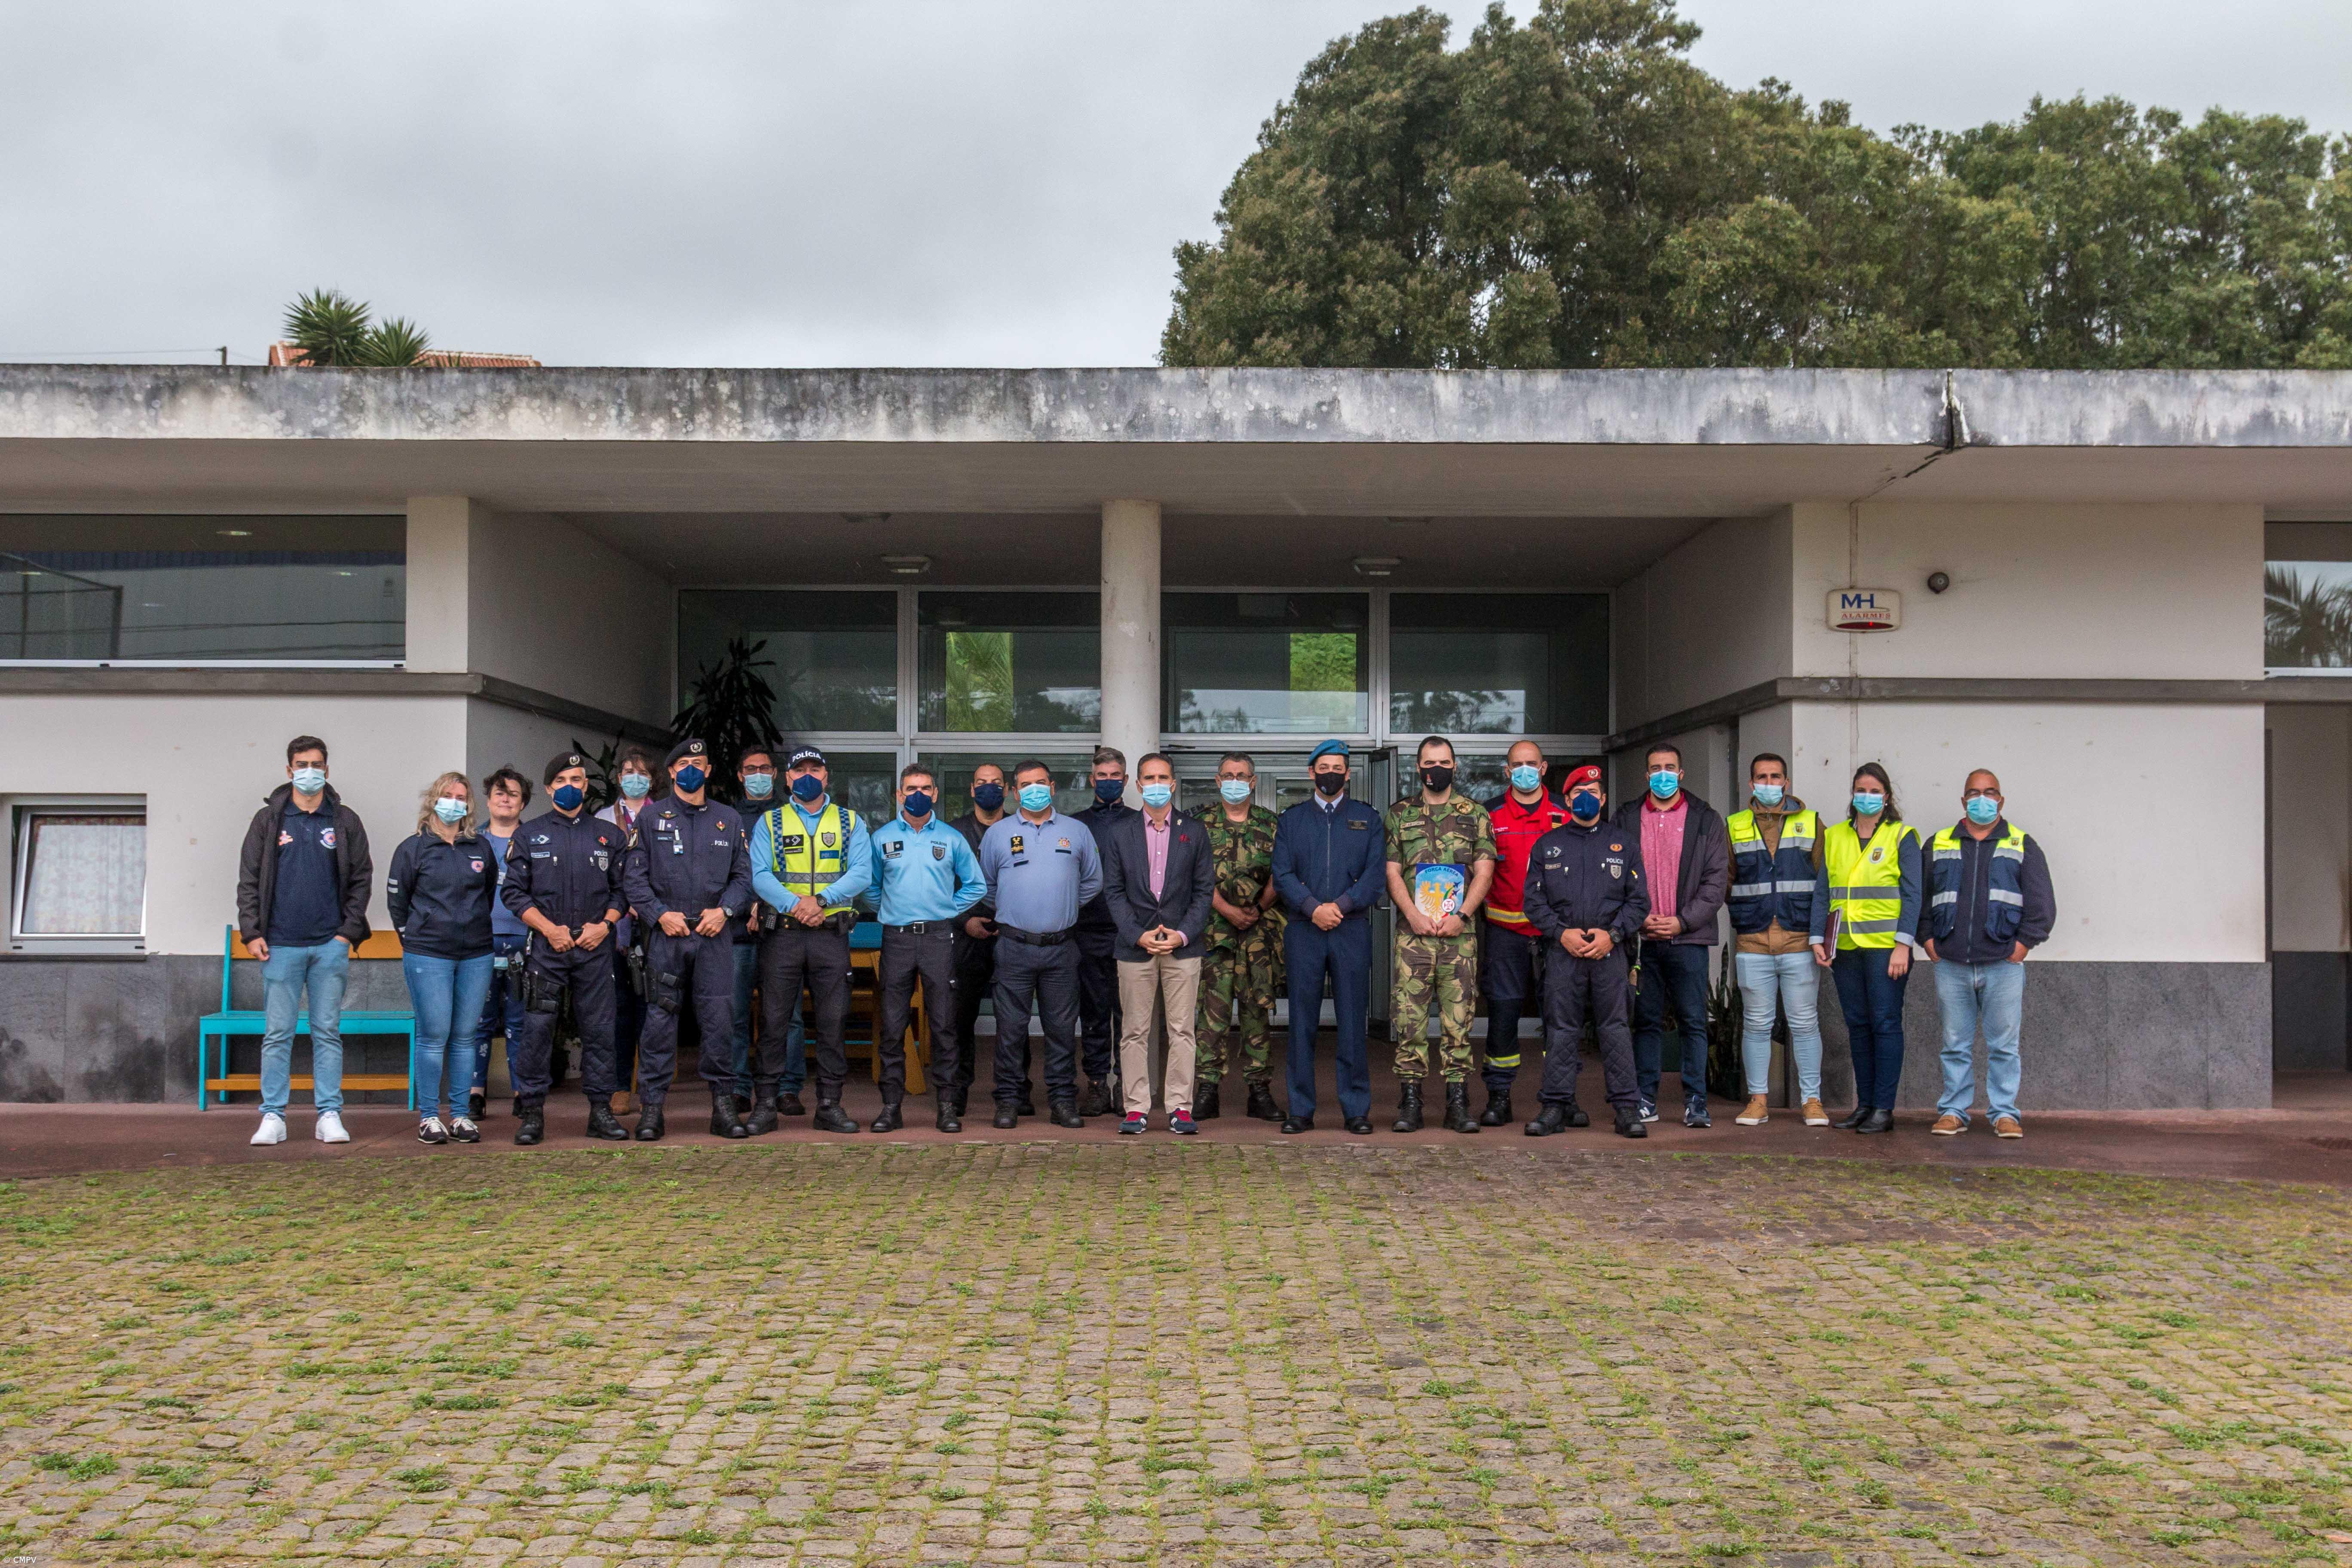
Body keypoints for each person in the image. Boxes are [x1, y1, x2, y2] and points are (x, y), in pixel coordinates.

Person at [236, 735, 373, 1148]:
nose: (309, 771)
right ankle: (273, 1117)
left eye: (316, 764)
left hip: (329, 944)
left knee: (326, 1031)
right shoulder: (268, 821)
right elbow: (249, 879)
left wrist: (346, 933)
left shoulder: (345, 820)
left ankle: (329, 1114)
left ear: (327, 770)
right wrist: (252, 931)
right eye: (301, 764)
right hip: (279, 944)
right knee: (277, 1033)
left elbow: (362, 878)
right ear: (289, 769)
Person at [622, 738, 755, 1141]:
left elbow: (744, 878)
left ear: (709, 771)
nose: (692, 770)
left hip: (714, 935)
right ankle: (653, 1110)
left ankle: (724, 1108)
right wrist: (659, 915)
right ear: (673, 772)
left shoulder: (728, 819)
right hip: (668, 935)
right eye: (684, 764)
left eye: (699, 763)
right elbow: (634, 878)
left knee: (719, 1023)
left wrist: (726, 911)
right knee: (660, 1023)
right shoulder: (650, 818)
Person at [499, 752, 628, 1145]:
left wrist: (605, 926)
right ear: (550, 787)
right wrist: (548, 929)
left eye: (577, 779)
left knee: (601, 1031)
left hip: (594, 948)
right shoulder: (529, 835)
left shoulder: (609, 836)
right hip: (548, 949)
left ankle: (601, 1113)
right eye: (562, 780)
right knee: (537, 1030)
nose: (570, 786)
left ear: (586, 786)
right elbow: (513, 892)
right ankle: (533, 1113)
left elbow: (624, 893)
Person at [1926, 770, 2055, 1139]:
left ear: (2001, 800)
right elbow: (1920, 897)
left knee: (2004, 1047)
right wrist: (1928, 941)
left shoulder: (2022, 844)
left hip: (2003, 964)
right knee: (1954, 1045)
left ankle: (2004, 1113)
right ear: (1963, 800)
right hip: (1951, 964)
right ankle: (1953, 1111)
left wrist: (2023, 945)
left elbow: (2043, 904)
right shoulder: (1938, 843)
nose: (1982, 799)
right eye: (1974, 793)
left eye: (1990, 792)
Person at [750, 746, 873, 1135]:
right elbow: (760, 874)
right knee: (773, 1021)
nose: (807, 776)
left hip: (829, 936)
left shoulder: (851, 821)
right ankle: (766, 1105)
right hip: (783, 935)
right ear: (786, 779)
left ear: (826, 776)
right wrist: (796, 905)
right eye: (799, 770)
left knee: (833, 1022)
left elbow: (862, 873)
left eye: (814, 769)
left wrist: (820, 901)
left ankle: (830, 1105)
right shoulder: (770, 821)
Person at [1522, 766, 1648, 1139]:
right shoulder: (1548, 845)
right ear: (1568, 800)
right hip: (1563, 953)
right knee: (1561, 1030)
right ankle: (1555, 1108)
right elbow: (1533, 900)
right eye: (1579, 793)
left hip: (1611, 954)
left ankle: (1627, 1109)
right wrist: (1561, 934)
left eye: (1593, 790)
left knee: (1616, 1029)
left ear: (1604, 798)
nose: (1586, 797)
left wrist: (1613, 935)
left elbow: (1639, 902)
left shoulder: (1623, 845)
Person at [976, 760, 1103, 1128]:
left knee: (1062, 1031)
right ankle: (1009, 1101)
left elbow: (1093, 882)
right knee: (1011, 1029)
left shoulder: (1077, 832)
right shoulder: (998, 834)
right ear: (1015, 792)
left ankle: (1063, 1101)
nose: (1034, 789)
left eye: (1040, 783)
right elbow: (986, 886)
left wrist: (1061, 904)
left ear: (1052, 785)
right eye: (1025, 785)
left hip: (1062, 948)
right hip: (1014, 946)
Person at [1608, 742, 1728, 1128]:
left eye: (1670, 768)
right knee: (1645, 1022)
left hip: (1687, 940)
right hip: (1642, 942)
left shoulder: (1706, 819)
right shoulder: (1626, 818)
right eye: (1655, 768)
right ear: (1646, 775)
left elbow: (1715, 881)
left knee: (1694, 1021)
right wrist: (1635, 919)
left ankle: (1696, 1101)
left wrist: (1682, 921)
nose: (1663, 774)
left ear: (1681, 773)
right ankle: (1646, 1098)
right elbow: (1612, 875)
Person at [1270, 740, 1385, 1135]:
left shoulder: (1368, 819)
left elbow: (1376, 875)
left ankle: (1356, 1109)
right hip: (1305, 929)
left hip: (1350, 929)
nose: (1331, 774)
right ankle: (1300, 1109)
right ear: (1311, 773)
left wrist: (1342, 905)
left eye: (1338, 768)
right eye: (1324, 767)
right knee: (1301, 1023)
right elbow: (1282, 874)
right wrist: (1311, 908)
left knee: (1353, 1022)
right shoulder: (1291, 821)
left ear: (1348, 774)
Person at [1384, 735, 1497, 1134]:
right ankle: (1411, 1100)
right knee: (1410, 1020)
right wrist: (1412, 914)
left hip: (1458, 937)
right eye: (1430, 763)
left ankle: (1457, 1101)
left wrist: (1464, 915)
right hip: (1413, 937)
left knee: (1459, 1020)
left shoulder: (1475, 814)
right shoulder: (1399, 815)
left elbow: (1485, 870)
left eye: (1444, 762)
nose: (1438, 769)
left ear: (1454, 766)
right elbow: (1392, 871)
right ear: (1418, 768)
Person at [1099, 753, 1215, 1134]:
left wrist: (1182, 934)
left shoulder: (1195, 831)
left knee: (1181, 1030)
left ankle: (1180, 1107)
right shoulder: (1121, 832)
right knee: (1134, 1031)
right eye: (1149, 778)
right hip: (1136, 946)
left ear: (1174, 784)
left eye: (1163, 777)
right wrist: (1138, 934)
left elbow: (1204, 892)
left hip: (1183, 947)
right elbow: (1113, 892)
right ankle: (1136, 1107)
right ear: (1138, 785)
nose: (1156, 784)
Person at [869, 762, 987, 1132]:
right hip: (897, 938)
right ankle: (891, 1107)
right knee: (892, 1025)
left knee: (944, 1025)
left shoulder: (952, 838)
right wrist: (891, 909)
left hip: (939, 938)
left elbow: (976, 884)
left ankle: (948, 1107)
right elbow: (870, 887)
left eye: (925, 788)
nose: (917, 795)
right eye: (910, 789)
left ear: (935, 794)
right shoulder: (882, 838)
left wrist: (946, 909)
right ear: (899, 795)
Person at [386, 772, 499, 1145]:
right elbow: (398, 902)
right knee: (434, 1036)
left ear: (469, 805)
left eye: (461, 797)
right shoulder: (412, 849)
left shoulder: (479, 848)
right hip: (428, 953)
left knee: (466, 1037)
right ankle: (430, 1117)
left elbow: (488, 895)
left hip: (477, 954)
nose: (454, 801)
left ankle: (461, 1116)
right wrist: (415, 938)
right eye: (447, 795)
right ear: (433, 800)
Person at [1812, 762, 1922, 1134]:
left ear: (1887, 797)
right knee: (1858, 1026)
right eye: (1861, 789)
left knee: (1885, 1024)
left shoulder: (1902, 836)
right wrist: (1818, 938)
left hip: (1885, 948)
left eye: (1875, 791)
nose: (1868, 796)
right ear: (1853, 793)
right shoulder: (1837, 836)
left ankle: (1884, 1109)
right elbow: (1824, 890)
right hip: (1844, 945)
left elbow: (1912, 894)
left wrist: (1903, 945)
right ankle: (1865, 1105)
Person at [1723, 753, 1828, 1128]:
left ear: (1787, 781)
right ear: (1752, 784)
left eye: (1776, 777)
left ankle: (1812, 1101)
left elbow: (1825, 885)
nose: (1769, 783)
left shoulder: (1812, 823)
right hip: (1753, 940)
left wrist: (1820, 936)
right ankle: (1758, 1100)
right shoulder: (1734, 825)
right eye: (1762, 777)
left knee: (1804, 1023)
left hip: (1800, 940)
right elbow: (1725, 880)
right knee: (1756, 1024)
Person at [1476, 740, 1567, 1126]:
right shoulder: (1490, 814)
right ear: (1507, 771)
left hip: (1556, 936)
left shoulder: (1564, 813)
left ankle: (1563, 1097)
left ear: (1544, 768)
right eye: (1518, 764)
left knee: (1562, 1018)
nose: (1526, 770)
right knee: (1502, 1016)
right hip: (1504, 934)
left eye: (1533, 763)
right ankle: (1499, 1097)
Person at [1195, 751, 1284, 1122]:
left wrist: (1258, 909)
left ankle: (1259, 1091)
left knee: (1256, 1013)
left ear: (1253, 782)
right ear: (1218, 782)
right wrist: (1229, 910)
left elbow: (1284, 872)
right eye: (1228, 775)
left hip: (1259, 938)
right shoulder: (1199, 824)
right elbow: (1194, 875)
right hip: (1214, 935)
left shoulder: (1272, 824)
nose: (1235, 781)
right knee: (1210, 1016)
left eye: (1242, 775)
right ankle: (1206, 1090)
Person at [728, 747, 808, 1131]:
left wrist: (770, 907)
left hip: (784, 928)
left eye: (764, 769)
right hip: (737, 931)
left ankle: (787, 1089)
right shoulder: (725, 819)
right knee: (736, 1013)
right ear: (740, 775)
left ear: (776, 774)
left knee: (787, 1015)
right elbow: (724, 875)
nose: (758, 774)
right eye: (751, 769)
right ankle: (740, 1087)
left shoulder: (791, 816)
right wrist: (746, 909)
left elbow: (797, 873)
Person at [950, 764, 1023, 1115]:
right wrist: (965, 921)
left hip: (1011, 933)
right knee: (959, 1017)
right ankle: (957, 1091)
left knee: (1014, 1017)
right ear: (972, 789)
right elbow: (938, 887)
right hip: (964, 937)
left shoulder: (1020, 829)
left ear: (1007, 789)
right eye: (982, 783)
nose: (989, 788)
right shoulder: (952, 833)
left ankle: (1017, 1091)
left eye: (996, 783)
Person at [1070, 745, 1134, 1116]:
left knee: (1130, 1017)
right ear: (1092, 780)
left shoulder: (1139, 822)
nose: (1109, 782)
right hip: (1087, 933)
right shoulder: (1075, 825)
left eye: (1116, 776)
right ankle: (1096, 1085)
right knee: (1093, 1016)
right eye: (1102, 776)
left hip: (1130, 935)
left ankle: (1127, 1087)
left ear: (1125, 781)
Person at [597, 747, 658, 1114]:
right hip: (616, 927)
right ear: (618, 778)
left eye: (642, 771)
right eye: (627, 771)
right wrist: (623, 904)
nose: (634, 776)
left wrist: (646, 903)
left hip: (655, 924)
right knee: (620, 1010)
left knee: (655, 1008)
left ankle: (652, 1085)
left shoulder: (663, 815)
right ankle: (621, 1085)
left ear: (653, 779)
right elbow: (597, 872)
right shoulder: (603, 818)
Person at [475, 766, 533, 1122]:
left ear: (523, 801)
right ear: (488, 799)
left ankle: (522, 1093)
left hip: (524, 940)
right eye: (499, 793)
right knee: (478, 1022)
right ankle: (474, 1094)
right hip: (480, 942)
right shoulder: (473, 840)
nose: (506, 799)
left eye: (513, 794)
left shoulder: (534, 840)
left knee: (520, 1022)